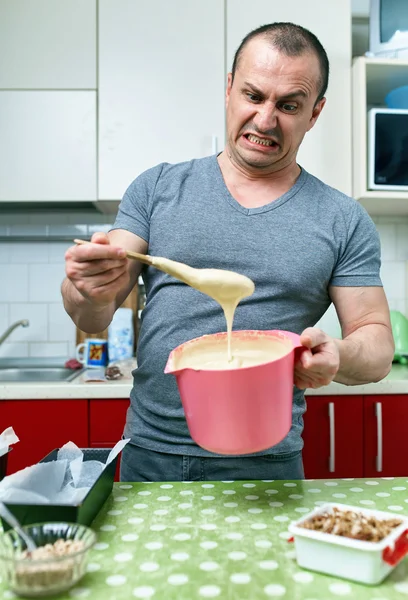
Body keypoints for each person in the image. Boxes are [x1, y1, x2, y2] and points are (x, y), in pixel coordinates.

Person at [62, 22, 394, 482]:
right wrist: (88, 288)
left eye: (289, 105)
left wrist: (338, 354)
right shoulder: (157, 189)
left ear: (315, 113)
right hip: (151, 454)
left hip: (268, 462)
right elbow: (93, 315)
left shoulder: (342, 218)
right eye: (253, 96)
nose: (264, 120)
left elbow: (377, 347)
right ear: (229, 90)